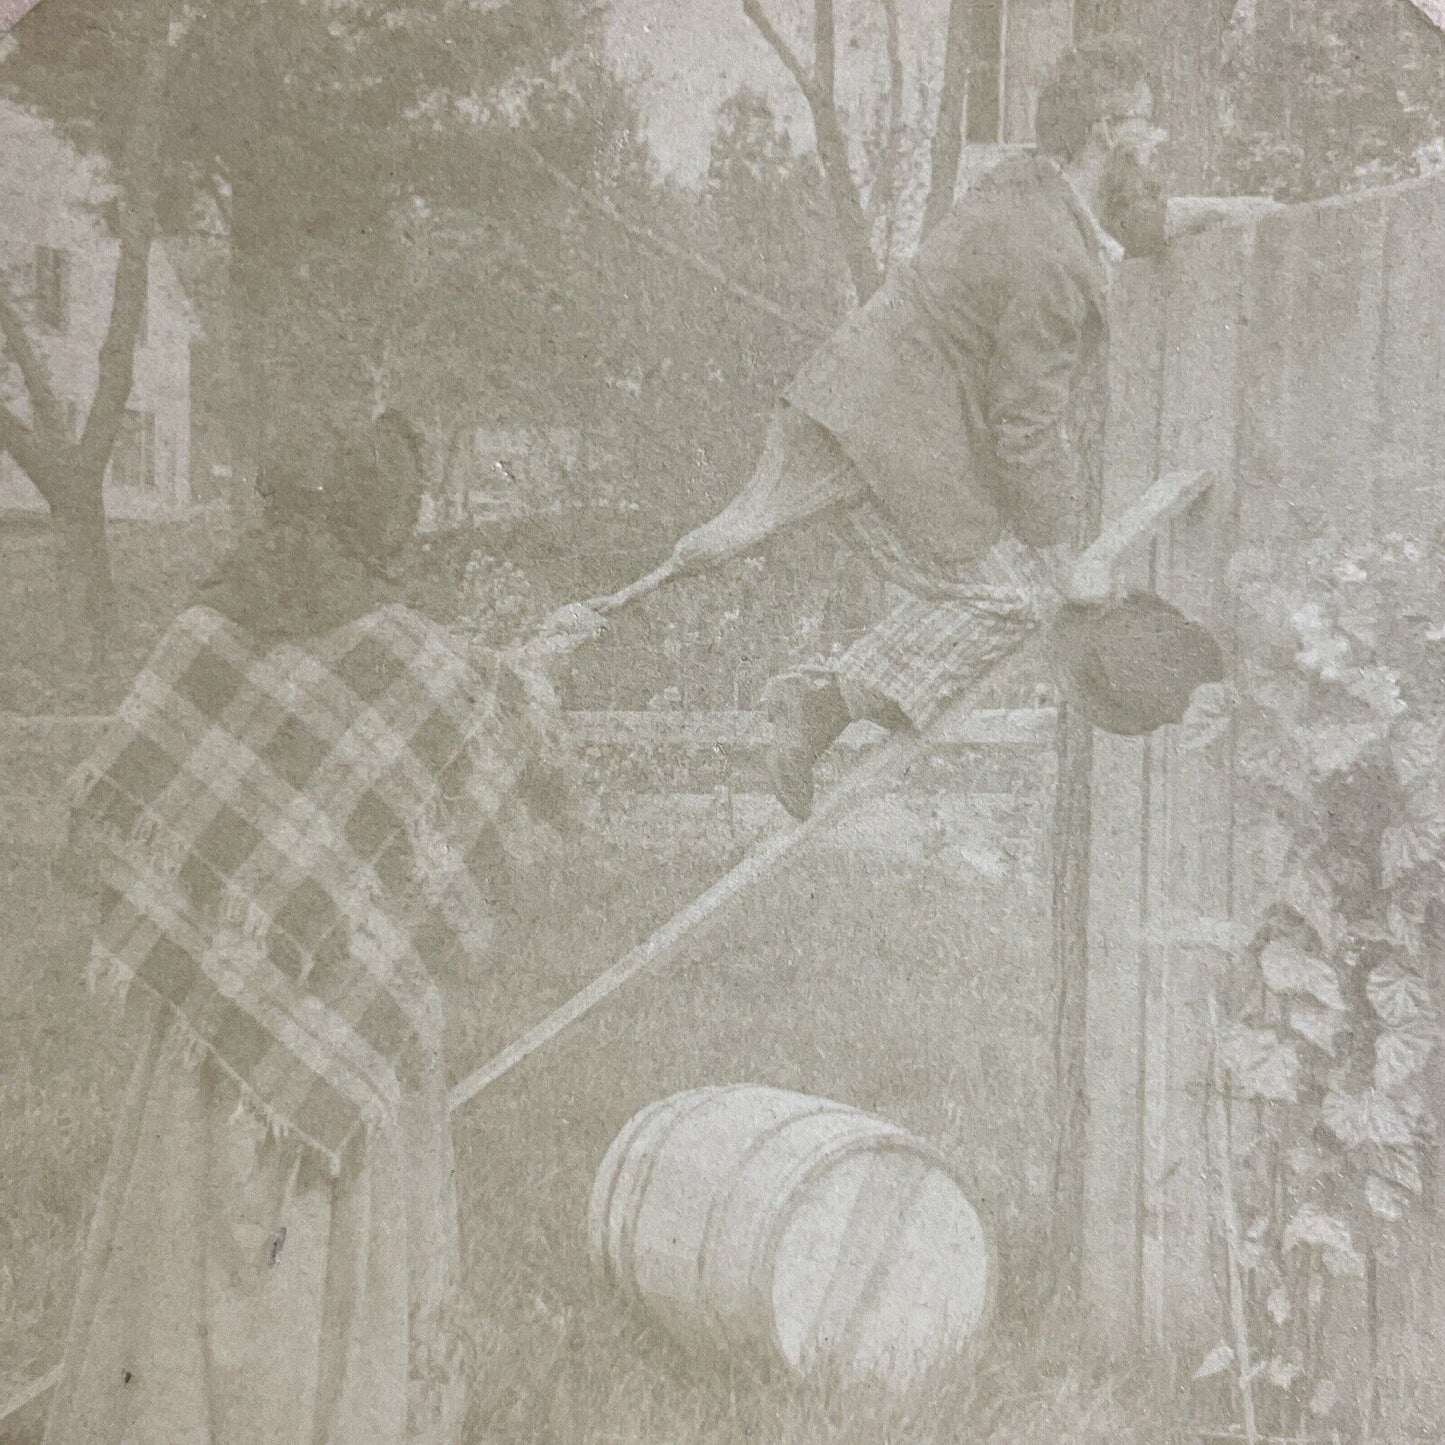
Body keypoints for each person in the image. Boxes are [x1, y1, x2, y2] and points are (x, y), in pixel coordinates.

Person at [44, 411, 564, 1445]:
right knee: (338, 1230)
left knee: (188, 1223)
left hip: (205, 1039)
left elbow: (107, 814)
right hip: (350, 1042)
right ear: (380, 522)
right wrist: (541, 666)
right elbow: (518, 729)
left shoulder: (202, 633)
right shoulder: (420, 659)